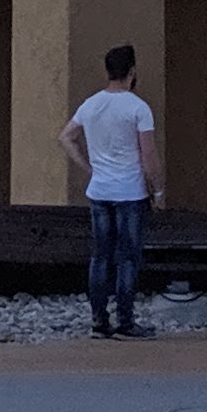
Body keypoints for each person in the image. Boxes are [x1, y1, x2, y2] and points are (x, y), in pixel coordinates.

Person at [60, 43, 162, 338]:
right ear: (132, 72)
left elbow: (66, 137)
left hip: (100, 190)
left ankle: (98, 320)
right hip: (130, 192)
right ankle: (125, 321)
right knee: (128, 257)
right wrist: (157, 190)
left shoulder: (90, 105)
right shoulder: (138, 108)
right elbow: (148, 155)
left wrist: (89, 167)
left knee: (100, 256)